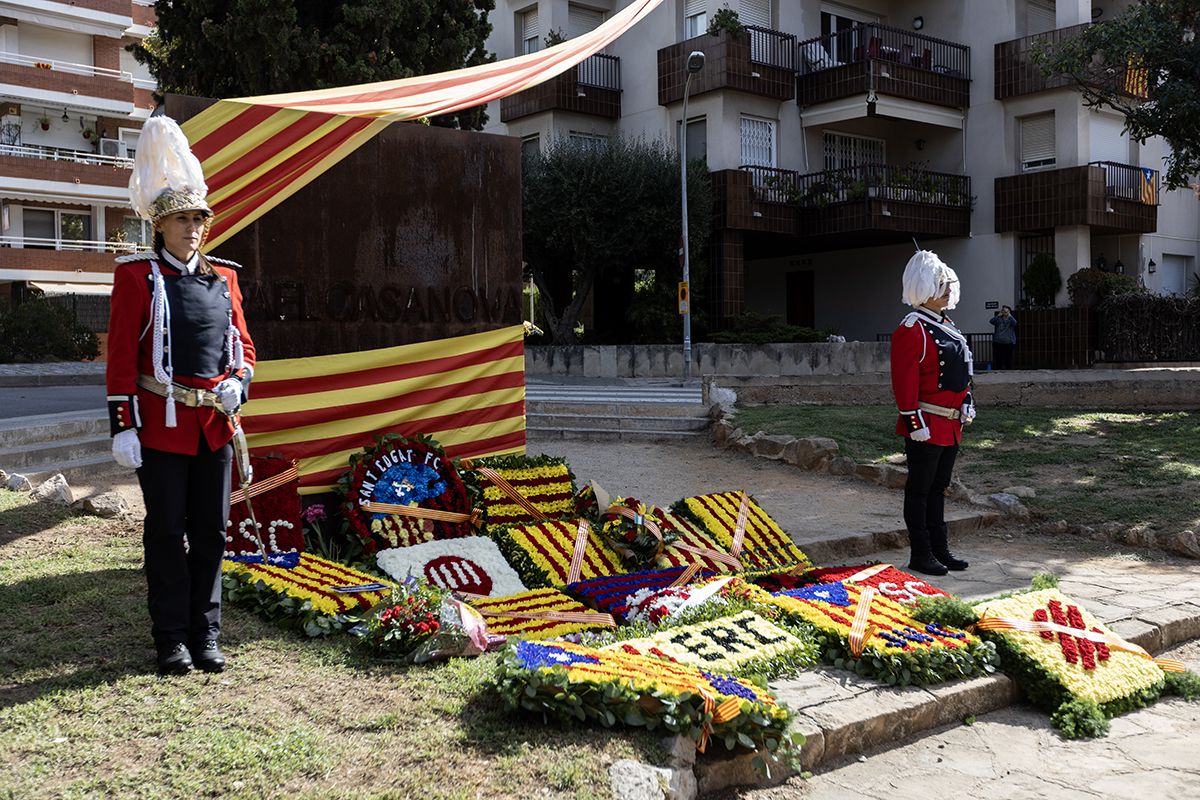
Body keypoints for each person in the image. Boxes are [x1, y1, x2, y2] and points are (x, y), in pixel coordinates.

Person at [106, 115, 256, 676]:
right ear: (160, 224)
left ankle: (206, 631)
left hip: (214, 425)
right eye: (181, 219)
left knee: (212, 533)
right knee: (167, 533)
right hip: (162, 426)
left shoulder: (225, 278)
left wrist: (239, 381)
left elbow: (242, 344)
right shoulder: (136, 277)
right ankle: (171, 638)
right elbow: (121, 357)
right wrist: (123, 425)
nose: (192, 228)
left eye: (198, 219)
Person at [889, 251, 974, 577]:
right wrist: (914, 422)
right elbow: (904, 382)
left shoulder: (946, 325)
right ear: (924, 288)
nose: (948, 290)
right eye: (941, 284)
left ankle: (940, 549)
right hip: (926, 423)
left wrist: (966, 401)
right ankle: (921, 553)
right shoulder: (912, 329)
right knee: (920, 491)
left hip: (950, 423)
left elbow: (961, 372)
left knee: (938, 489)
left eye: (947, 283)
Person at [989, 305, 1017, 370]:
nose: (1004, 312)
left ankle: (1008, 371)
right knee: (998, 358)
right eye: (1003, 311)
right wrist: (998, 316)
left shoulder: (1010, 319)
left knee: (1008, 358)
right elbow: (991, 321)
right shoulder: (998, 319)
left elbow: (1015, 323)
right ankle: (998, 370)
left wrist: (1009, 315)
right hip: (998, 341)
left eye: (1006, 311)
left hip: (1009, 341)